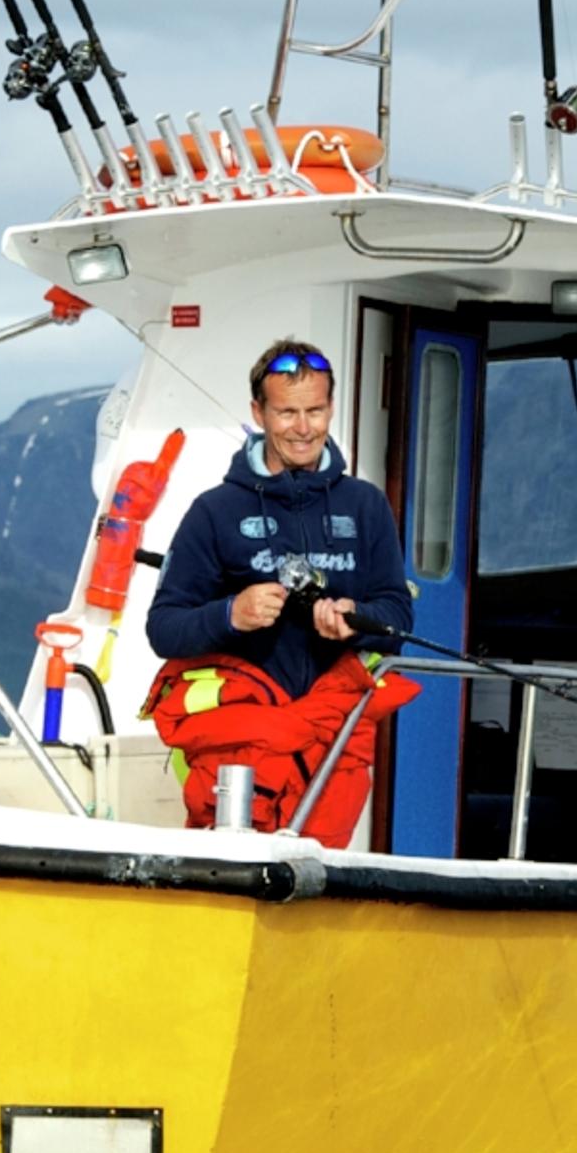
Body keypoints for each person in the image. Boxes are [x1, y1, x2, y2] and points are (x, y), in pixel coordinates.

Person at [144, 339, 416, 840]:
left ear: (331, 408)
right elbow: (163, 629)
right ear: (259, 412)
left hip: (332, 745)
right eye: (287, 412)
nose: (304, 427)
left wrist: (355, 617)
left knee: (319, 880)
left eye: (315, 410)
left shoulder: (366, 505)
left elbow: (398, 617)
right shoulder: (214, 511)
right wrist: (231, 614)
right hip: (240, 751)